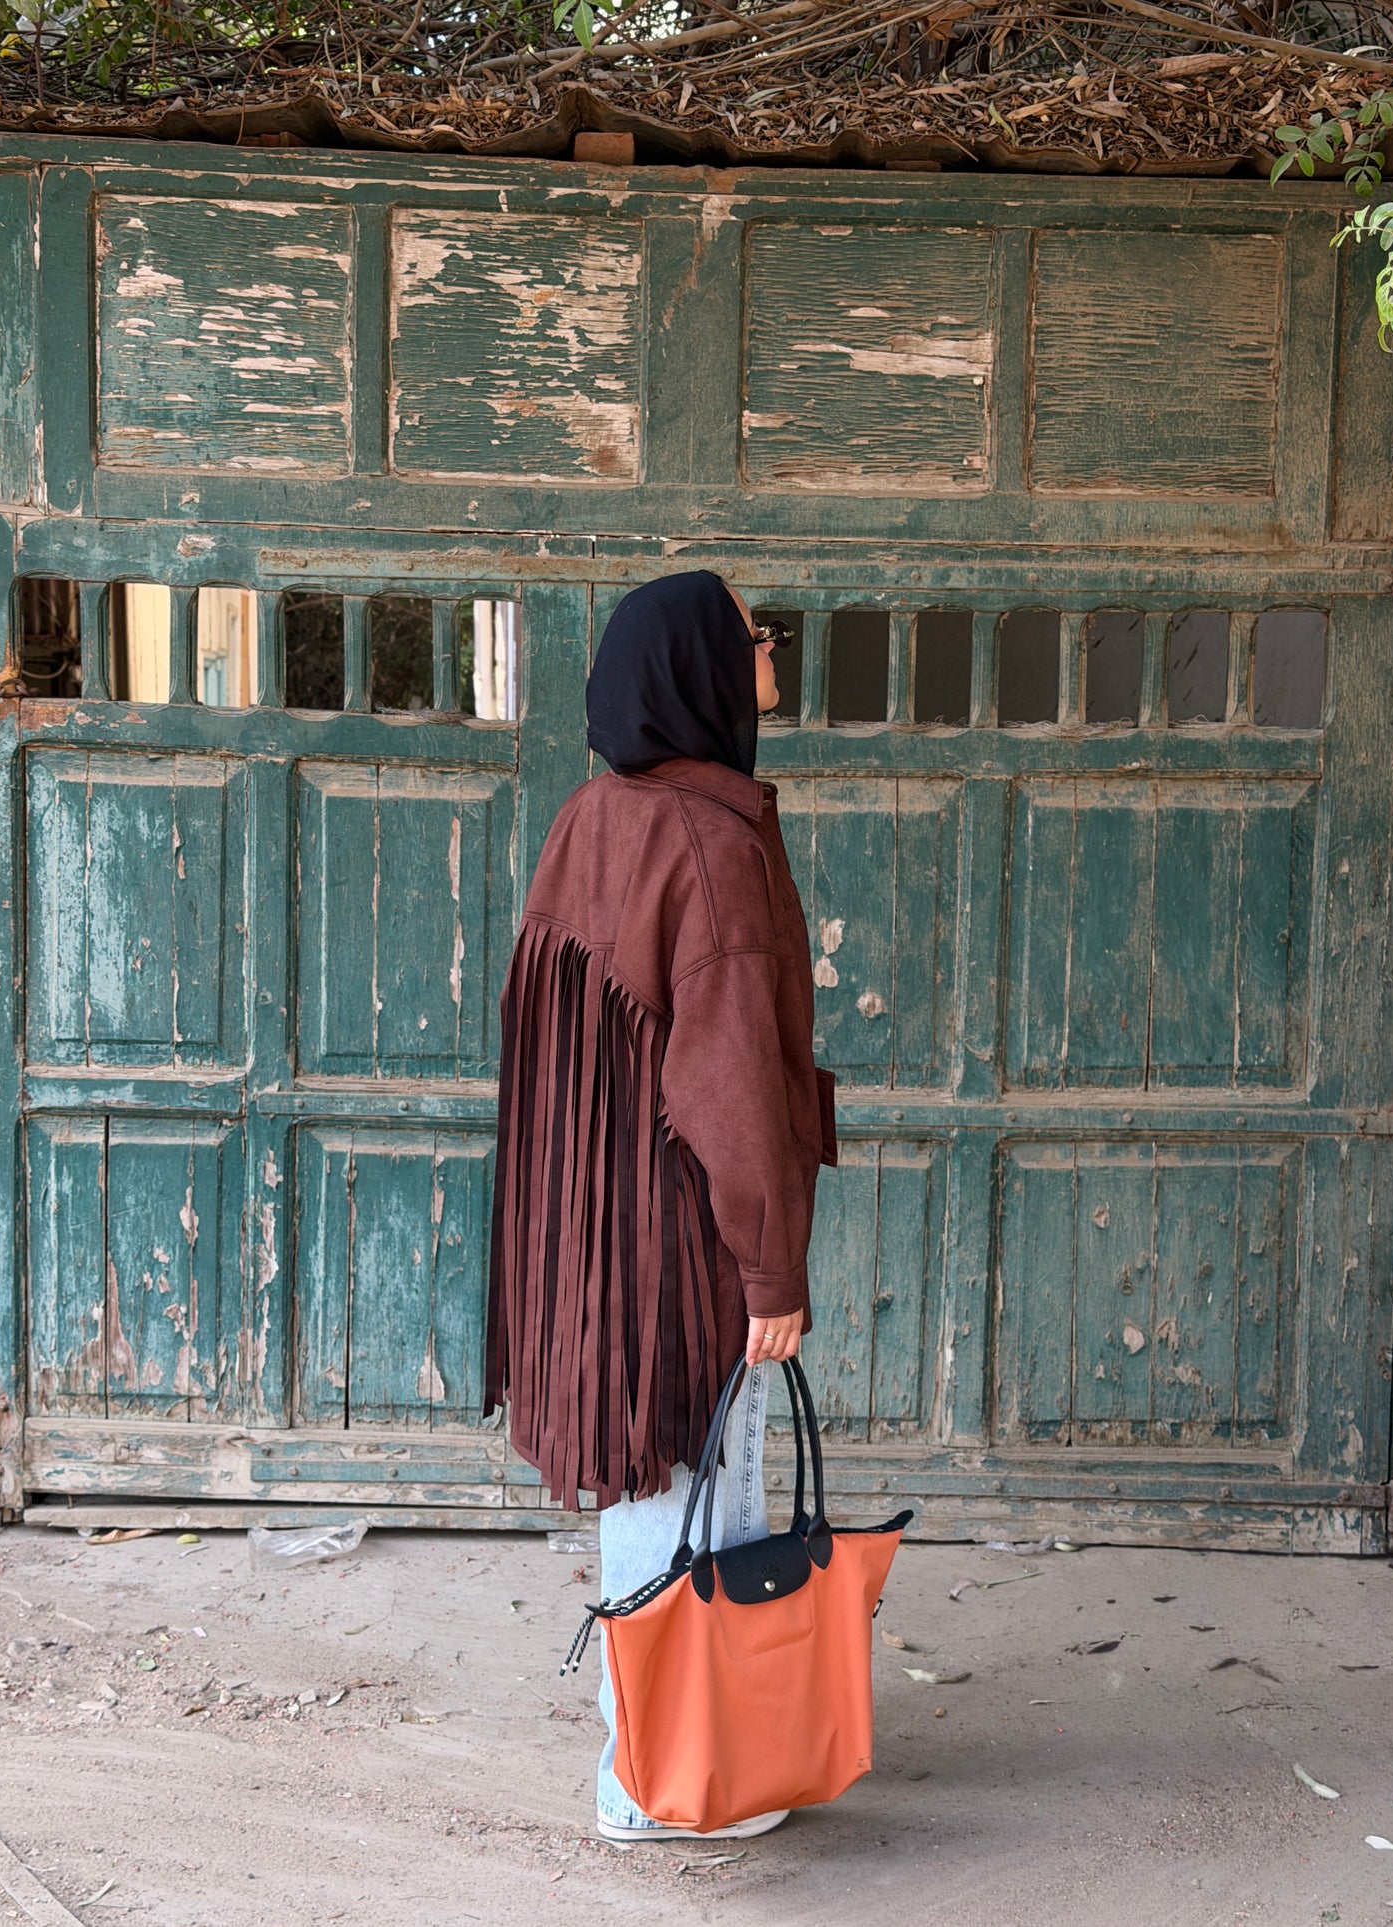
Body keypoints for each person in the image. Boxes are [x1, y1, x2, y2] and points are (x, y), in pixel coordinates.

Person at [485, 569, 836, 1841]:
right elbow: (735, 1077)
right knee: (708, 1487)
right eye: (752, 634)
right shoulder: (710, 843)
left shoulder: (590, 816)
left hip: (597, 1226)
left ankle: (646, 1763)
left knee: (649, 1488)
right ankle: (674, 1782)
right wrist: (769, 1272)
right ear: (697, 666)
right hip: (683, 1235)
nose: (766, 651)